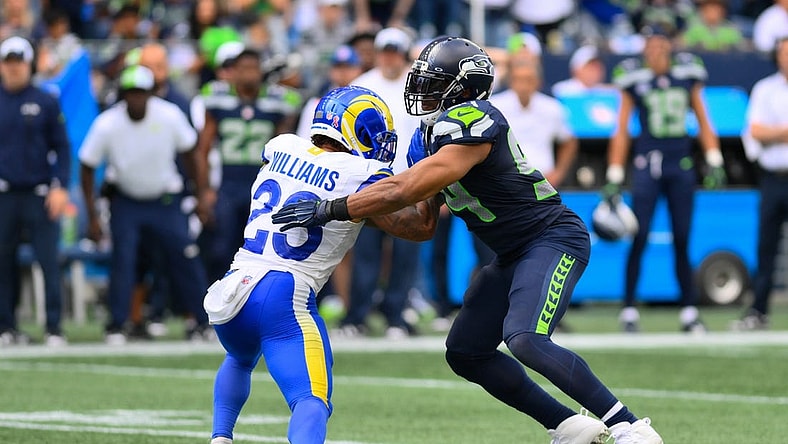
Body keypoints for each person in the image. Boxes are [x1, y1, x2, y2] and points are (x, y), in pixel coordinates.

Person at [272, 36, 664, 444]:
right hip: (512, 252)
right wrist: (357, 217)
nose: (421, 87)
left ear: (463, 86)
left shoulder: (474, 119)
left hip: (552, 237)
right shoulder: (425, 137)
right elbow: (422, 225)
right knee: (466, 351)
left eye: (433, 80)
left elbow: (404, 189)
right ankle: (566, 424)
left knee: (525, 338)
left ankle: (629, 427)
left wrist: (333, 207)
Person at [204, 85, 439, 444]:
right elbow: (419, 227)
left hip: (236, 285)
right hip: (285, 295)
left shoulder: (282, 146)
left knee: (238, 357)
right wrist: (431, 178)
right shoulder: (361, 171)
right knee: (311, 401)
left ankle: (220, 437)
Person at [79, 65, 212, 345]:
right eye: (131, 93)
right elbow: (87, 165)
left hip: (165, 198)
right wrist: (92, 215)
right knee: (123, 259)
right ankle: (118, 322)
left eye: (141, 93)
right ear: (123, 94)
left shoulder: (168, 115)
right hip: (127, 200)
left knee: (184, 255)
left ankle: (202, 321)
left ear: (151, 93)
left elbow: (192, 154)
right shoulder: (108, 123)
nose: (136, 99)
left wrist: (200, 195)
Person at [604, 29, 726, 333]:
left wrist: (714, 158)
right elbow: (621, 128)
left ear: (670, 48)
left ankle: (688, 310)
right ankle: (629, 309)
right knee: (639, 235)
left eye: (661, 45)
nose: (656, 51)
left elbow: (702, 117)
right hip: (649, 164)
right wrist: (614, 173)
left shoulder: (687, 73)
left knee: (682, 238)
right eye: (651, 46)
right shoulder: (633, 78)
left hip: (680, 163)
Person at [336, 26, 423, 339]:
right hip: (369, 181)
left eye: (395, 52)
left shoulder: (418, 85)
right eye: (386, 51)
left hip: (411, 181)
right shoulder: (362, 85)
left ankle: (396, 315)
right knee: (367, 254)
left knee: (405, 255)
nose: (390, 58)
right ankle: (357, 314)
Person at [194, 47, 301, 283]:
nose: (249, 75)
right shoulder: (218, 99)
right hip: (228, 185)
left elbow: (286, 149)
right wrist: (204, 191)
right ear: (233, 72)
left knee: (261, 248)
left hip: (264, 186)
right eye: (244, 69)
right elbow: (202, 149)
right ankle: (216, 302)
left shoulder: (278, 102)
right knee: (221, 248)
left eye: (254, 68)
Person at [0, 36, 70, 347]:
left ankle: (54, 326)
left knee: (48, 261)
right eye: (8, 62)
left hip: (40, 194)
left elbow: (62, 148)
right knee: (3, 262)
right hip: (4, 194)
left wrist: (60, 187)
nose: (13, 68)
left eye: (18, 62)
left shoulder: (46, 100)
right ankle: (6, 326)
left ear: (28, 64)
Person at [731, 36, 788, 331]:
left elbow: (767, 131)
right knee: (766, 246)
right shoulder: (765, 89)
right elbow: (755, 131)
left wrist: (774, 132)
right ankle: (759, 310)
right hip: (774, 178)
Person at [490, 51, 578, 188]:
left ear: (538, 82)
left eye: (528, 80)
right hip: (505, 183)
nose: (523, 86)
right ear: (511, 81)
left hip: (543, 183)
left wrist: (558, 174)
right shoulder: (495, 107)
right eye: (519, 80)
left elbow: (569, 141)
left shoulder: (552, 108)